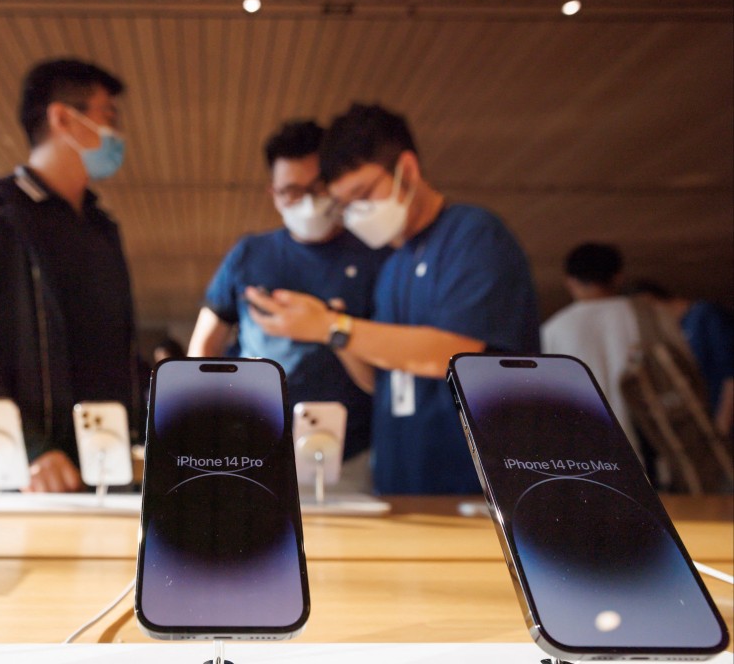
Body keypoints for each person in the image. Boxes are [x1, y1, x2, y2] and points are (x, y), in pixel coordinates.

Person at [246, 105, 539, 494]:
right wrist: (327, 331)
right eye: (344, 205)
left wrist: (335, 326)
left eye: (363, 193)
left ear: (408, 169)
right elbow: (378, 381)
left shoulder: (473, 236)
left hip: (476, 487)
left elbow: (452, 354)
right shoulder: (391, 268)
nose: (355, 213)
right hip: (400, 483)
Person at [0, 57, 136, 493]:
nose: (117, 135)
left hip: (101, 468)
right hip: (19, 473)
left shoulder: (100, 226)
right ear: (63, 117)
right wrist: (27, 448)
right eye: (108, 117)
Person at [188, 120, 389, 480]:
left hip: (351, 455)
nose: (308, 203)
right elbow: (203, 345)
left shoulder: (373, 258)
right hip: (252, 447)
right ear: (273, 193)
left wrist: (330, 326)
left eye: (317, 188)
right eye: (292, 192)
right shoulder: (249, 254)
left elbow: (380, 378)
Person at [540, 243, 647, 458]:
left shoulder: (553, 329)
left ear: (570, 282)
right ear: (618, 277)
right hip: (653, 442)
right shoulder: (645, 317)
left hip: (585, 449)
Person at [630, 281, 733, 440]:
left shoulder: (705, 315)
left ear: (649, 300)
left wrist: (722, 426)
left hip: (724, 418)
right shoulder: (677, 327)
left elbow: (730, 373)